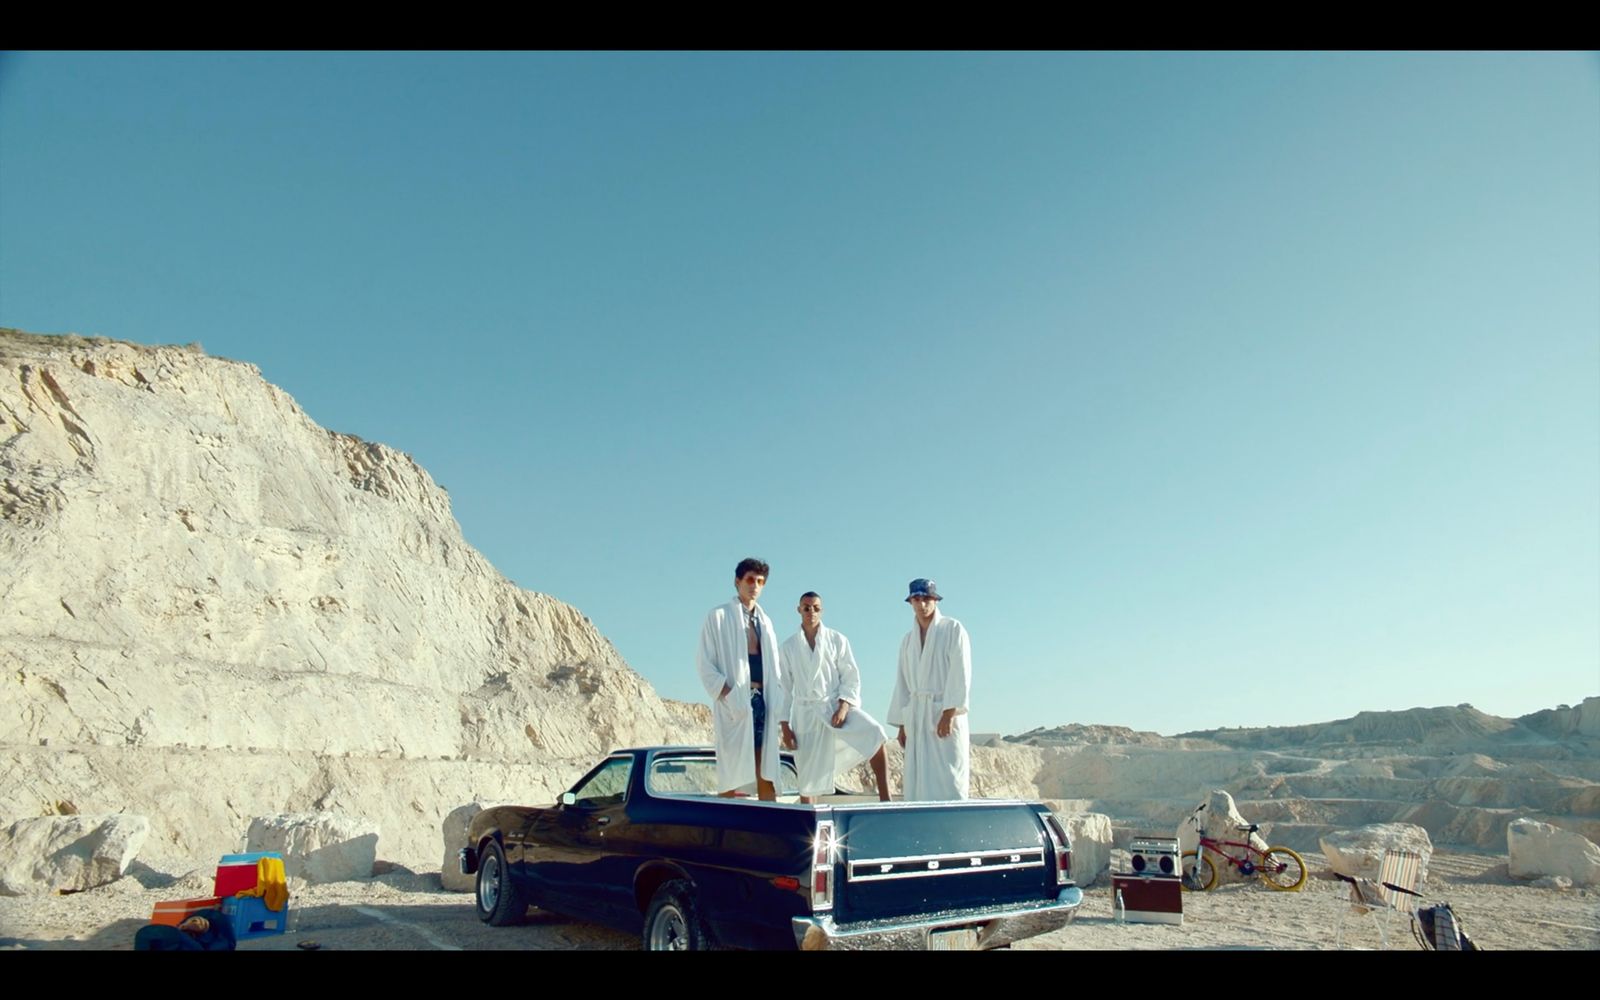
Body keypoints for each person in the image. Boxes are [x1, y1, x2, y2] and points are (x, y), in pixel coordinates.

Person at [777, 592, 892, 804]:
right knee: (807, 774)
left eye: (816, 607)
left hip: (834, 706)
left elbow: (850, 676)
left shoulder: (837, 640)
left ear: (822, 610)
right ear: (799, 610)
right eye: (806, 607)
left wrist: (844, 707)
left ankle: (886, 799)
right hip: (806, 713)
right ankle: (808, 819)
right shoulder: (788, 647)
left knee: (874, 733)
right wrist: (784, 725)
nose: (811, 611)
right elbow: (783, 688)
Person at [696, 557, 785, 800]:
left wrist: (777, 699)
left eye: (760, 581)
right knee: (731, 768)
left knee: (765, 765)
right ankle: (727, 827)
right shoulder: (718, 617)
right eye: (749, 580)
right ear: (737, 582)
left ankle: (770, 825)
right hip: (734, 701)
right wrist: (730, 696)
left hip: (763, 700)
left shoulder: (766, 622)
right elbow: (705, 665)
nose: (754, 585)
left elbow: (775, 667)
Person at [886, 578, 971, 801]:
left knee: (950, 775)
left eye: (926, 599)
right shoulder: (907, 641)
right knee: (918, 776)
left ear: (935, 600)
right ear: (910, 602)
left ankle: (953, 823)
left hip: (942, 710)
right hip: (917, 715)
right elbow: (902, 682)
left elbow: (960, 671)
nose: (922, 604)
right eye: (917, 599)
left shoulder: (952, 629)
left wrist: (949, 712)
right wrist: (902, 724)